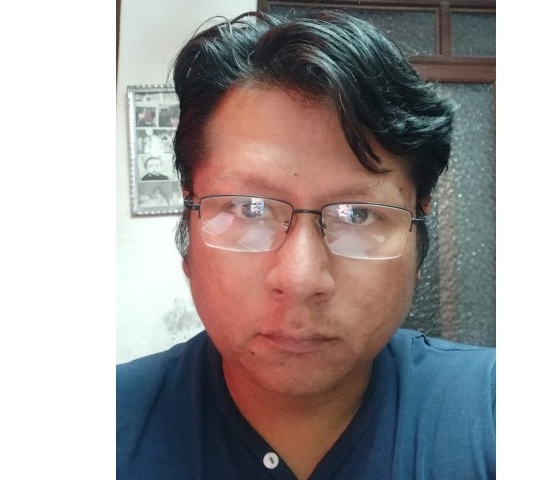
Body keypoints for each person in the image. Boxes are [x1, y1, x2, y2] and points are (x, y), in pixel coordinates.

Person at [117, 10, 495, 480]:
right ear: (187, 226)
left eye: (358, 215)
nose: (299, 279)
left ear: (419, 234)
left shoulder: (489, 411)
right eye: (249, 208)